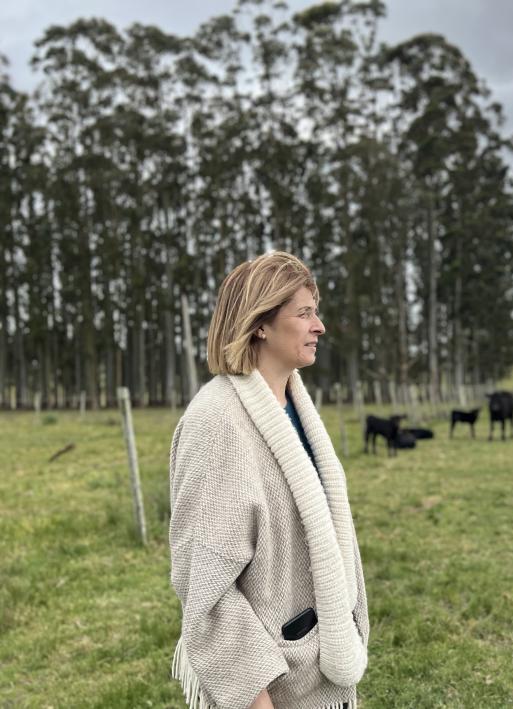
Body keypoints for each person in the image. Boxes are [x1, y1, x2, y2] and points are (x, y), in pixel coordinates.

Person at [168, 252, 368, 709]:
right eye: (304, 313)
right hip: (266, 691)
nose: (320, 326)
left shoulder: (297, 406)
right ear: (260, 324)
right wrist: (256, 698)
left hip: (322, 673)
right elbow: (205, 584)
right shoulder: (217, 423)